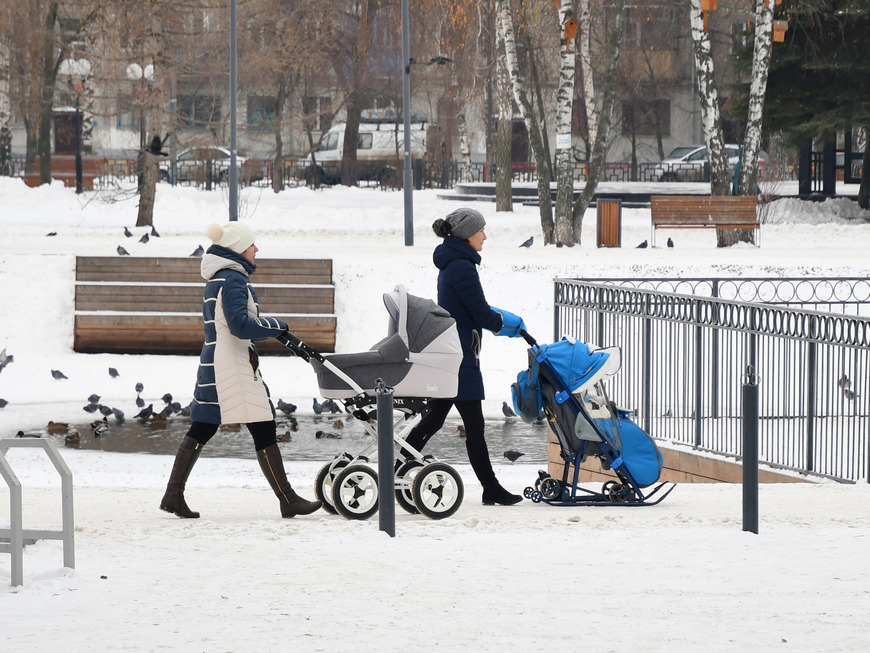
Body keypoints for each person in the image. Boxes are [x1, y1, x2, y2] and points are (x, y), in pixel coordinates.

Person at [160, 222, 321, 519]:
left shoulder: (218, 279)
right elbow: (240, 326)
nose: (256, 249)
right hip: (232, 365)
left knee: (204, 426)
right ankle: (287, 499)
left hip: (216, 361)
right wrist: (277, 325)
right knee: (262, 425)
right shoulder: (233, 279)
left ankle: (173, 495)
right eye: (251, 245)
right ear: (237, 249)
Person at [400, 207, 527, 506]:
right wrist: (506, 324)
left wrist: (497, 320)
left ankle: (396, 467)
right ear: (468, 234)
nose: (485, 236)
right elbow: (480, 313)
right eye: (481, 231)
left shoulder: (454, 262)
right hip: (460, 356)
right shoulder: (462, 266)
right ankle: (490, 487)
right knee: (472, 427)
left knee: (434, 420)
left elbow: (471, 308)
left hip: (454, 352)